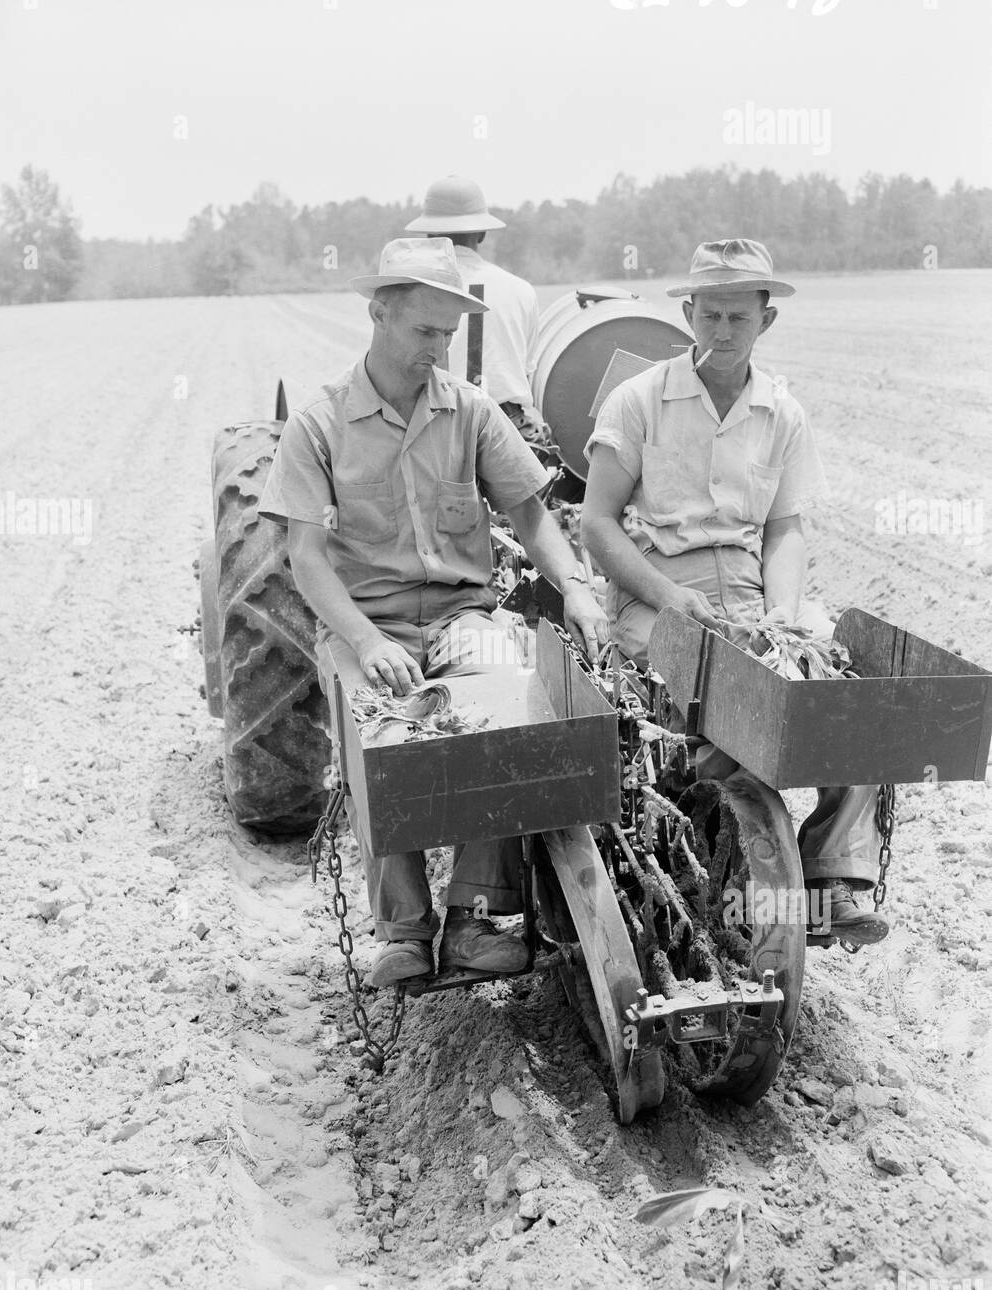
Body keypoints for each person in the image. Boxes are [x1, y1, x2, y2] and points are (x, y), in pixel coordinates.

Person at [259, 237, 607, 986]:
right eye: (424, 330)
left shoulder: (471, 411)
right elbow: (307, 557)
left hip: (460, 618)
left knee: (505, 705)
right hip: (364, 622)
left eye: (448, 333)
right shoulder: (319, 424)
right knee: (380, 736)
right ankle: (405, 931)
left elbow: (529, 511)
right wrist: (361, 638)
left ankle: (477, 918)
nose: (438, 347)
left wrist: (575, 585)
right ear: (379, 314)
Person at [580, 238, 889, 950]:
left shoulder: (781, 413)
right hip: (657, 589)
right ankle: (711, 839)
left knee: (850, 700)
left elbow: (784, 528)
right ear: (687, 312)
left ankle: (826, 878)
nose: (721, 332)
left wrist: (783, 611)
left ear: (765, 322)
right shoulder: (639, 402)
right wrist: (661, 595)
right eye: (708, 315)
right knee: (714, 703)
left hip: (751, 591)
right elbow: (597, 524)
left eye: (737, 319)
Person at [406, 175, 541, 438]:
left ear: (430, 235)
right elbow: (526, 370)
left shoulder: (411, 292)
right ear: (482, 233)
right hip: (507, 428)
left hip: (433, 427)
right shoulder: (522, 291)